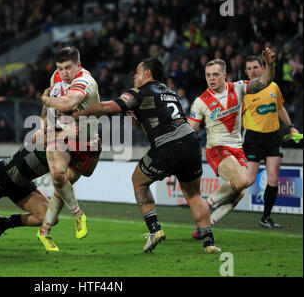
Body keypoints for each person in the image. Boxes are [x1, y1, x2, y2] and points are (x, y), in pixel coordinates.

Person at [71, 58, 221, 254]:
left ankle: (154, 230)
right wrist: (136, 121)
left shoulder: (139, 92)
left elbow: (105, 108)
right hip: (191, 143)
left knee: (138, 181)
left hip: (167, 145)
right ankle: (209, 243)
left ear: (148, 74)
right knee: (194, 194)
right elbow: (154, 121)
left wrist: (76, 115)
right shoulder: (171, 93)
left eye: (137, 71)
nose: (134, 75)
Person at [187, 48, 276, 239]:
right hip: (216, 149)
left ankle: (205, 227)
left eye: (215, 75)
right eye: (208, 75)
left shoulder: (238, 88)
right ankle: (206, 204)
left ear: (224, 75)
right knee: (243, 181)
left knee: (238, 194)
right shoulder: (200, 102)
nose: (211, 78)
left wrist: (269, 64)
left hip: (237, 149)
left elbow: (264, 82)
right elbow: (190, 128)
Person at [36, 46, 101, 251]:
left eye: (68, 68)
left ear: (78, 65)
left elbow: (67, 103)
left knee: (63, 186)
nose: (64, 73)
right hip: (61, 133)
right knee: (57, 175)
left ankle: (43, 231)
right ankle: (77, 215)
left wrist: (45, 98)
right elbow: (49, 108)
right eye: (60, 68)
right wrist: (42, 124)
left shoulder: (85, 81)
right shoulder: (56, 77)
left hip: (86, 138)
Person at [242, 56, 300, 228]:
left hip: (273, 138)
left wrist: (290, 126)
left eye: (255, 67)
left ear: (262, 68)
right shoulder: (244, 91)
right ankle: (221, 201)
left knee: (273, 178)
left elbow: (280, 108)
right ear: (246, 72)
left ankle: (265, 217)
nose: (253, 70)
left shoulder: (273, 86)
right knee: (249, 180)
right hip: (253, 139)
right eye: (249, 68)